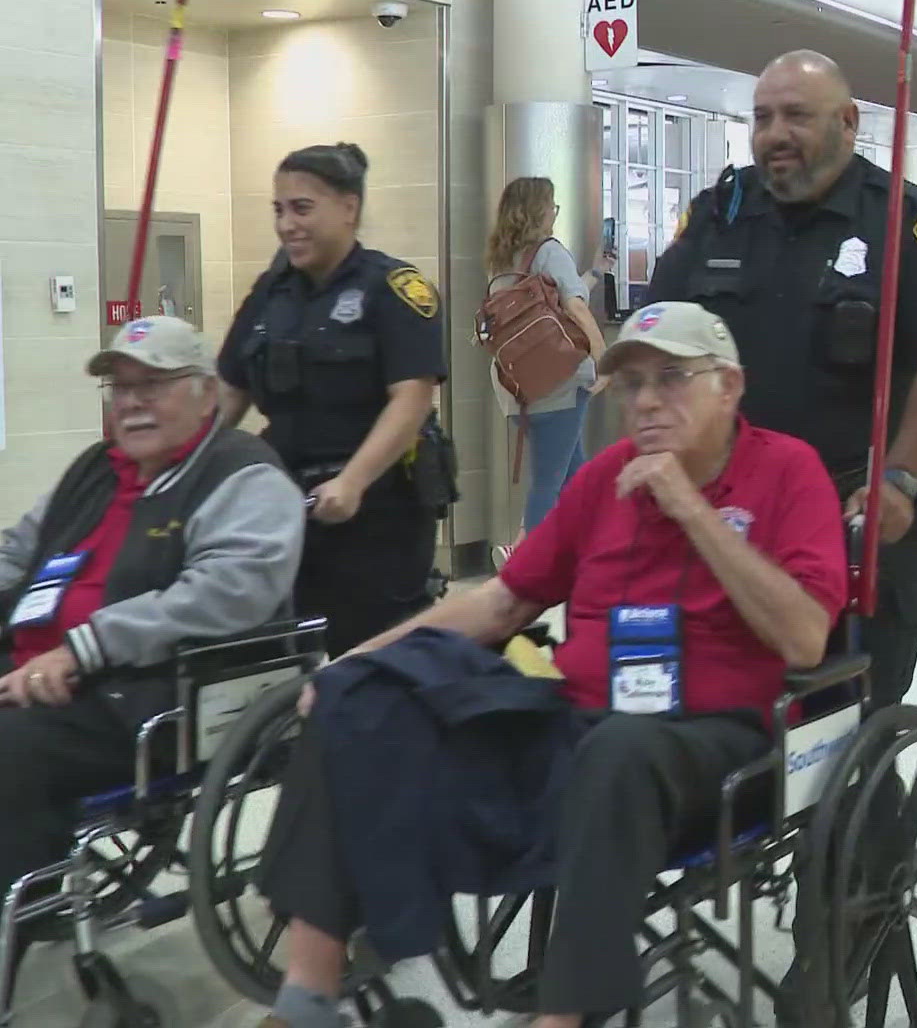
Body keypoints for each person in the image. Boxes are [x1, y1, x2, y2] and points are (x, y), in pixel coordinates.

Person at [252, 302, 850, 1028]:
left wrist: (690, 509)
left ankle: (562, 1018)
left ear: (729, 386)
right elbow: (504, 602)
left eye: (672, 378)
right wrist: (354, 662)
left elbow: (805, 639)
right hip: (578, 718)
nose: (648, 401)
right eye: (631, 385)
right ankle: (309, 995)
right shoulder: (604, 478)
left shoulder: (790, 471)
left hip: (712, 744)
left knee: (619, 750)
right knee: (359, 697)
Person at [648, 50, 917, 709]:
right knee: (719, 690)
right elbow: (655, 333)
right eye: (763, 117)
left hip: (858, 508)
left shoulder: (902, 219)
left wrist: (900, 477)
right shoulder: (718, 214)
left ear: (848, 121)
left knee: (849, 707)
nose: (776, 133)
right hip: (731, 504)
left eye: (797, 116)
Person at [0, 318, 304, 916]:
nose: (132, 402)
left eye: (154, 384)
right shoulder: (97, 467)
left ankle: (21, 911)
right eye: (120, 386)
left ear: (206, 394)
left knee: (9, 750)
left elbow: (227, 592)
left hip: (136, 695)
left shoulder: (244, 476)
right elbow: (19, 552)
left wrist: (87, 647)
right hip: (35, 662)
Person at [217, 142, 447, 657]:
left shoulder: (394, 289)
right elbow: (230, 393)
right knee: (278, 650)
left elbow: (411, 399)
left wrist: (353, 482)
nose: (286, 225)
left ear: (348, 208)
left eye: (302, 208)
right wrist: (185, 471)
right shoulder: (269, 294)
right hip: (284, 508)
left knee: (364, 655)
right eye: (279, 210)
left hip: (374, 512)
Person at [484, 176, 611, 549]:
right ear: (539, 210)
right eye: (552, 206)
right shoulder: (551, 250)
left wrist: (595, 273)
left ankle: (590, 551)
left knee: (575, 475)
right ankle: (525, 564)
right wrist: (604, 356)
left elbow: (545, 303)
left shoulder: (502, 259)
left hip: (517, 383)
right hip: (561, 380)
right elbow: (572, 305)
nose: (555, 213)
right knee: (550, 481)